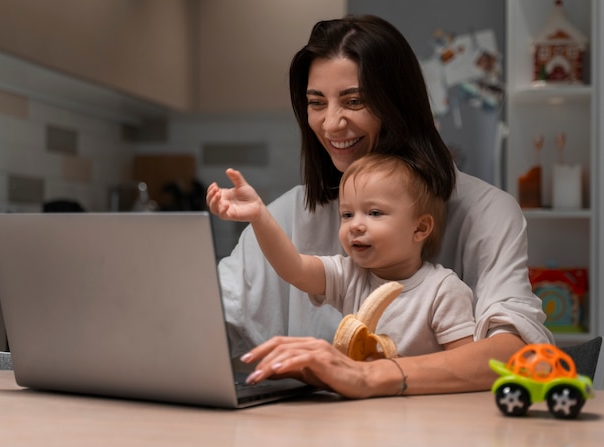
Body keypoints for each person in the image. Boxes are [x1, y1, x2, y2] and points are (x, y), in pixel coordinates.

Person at [212, 14, 553, 398]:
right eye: (316, 103)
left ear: (398, 103)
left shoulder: (486, 213)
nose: (332, 123)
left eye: (354, 100)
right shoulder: (285, 213)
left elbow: (513, 352)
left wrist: (365, 376)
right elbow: (209, 316)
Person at [208, 153, 475, 360]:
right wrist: (259, 216)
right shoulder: (349, 276)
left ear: (420, 228)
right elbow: (295, 268)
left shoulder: (444, 290)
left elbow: (463, 364)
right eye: (347, 214)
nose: (355, 225)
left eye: (374, 213)